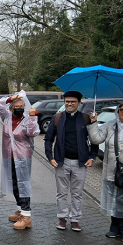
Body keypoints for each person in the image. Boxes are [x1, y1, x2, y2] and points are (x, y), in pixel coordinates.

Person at [44, 90, 98, 231]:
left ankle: (75, 219)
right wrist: (50, 157)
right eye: (67, 101)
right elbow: (48, 139)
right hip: (61, 161)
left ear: (79, 104)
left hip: (81, 163)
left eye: (73, 102)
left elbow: (94, 140)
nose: (70, 104)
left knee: (77, 193)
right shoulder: (57, 118)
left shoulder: (86, 119)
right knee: (61, 193)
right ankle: (62, 218)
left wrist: (92, 157)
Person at [88, 101, 123, 243]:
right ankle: (115, 228)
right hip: (112, 171)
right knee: (115, 199)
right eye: (121, 109)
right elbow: (96, 138)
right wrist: (93, 123)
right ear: (117, 112)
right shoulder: (110, 126)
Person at [0, 92, 40, 229]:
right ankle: (21, 210)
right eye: (16, 106)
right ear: (11, 108)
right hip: (9, 156)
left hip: (22, 157)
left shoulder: (27, 118)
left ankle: (27, 217)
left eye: (21, 105)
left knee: (23, 184)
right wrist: (12, 98)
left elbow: (33, 133)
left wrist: (33, 117)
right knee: (14, 184)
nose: (19, 108)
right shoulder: (7, 117)